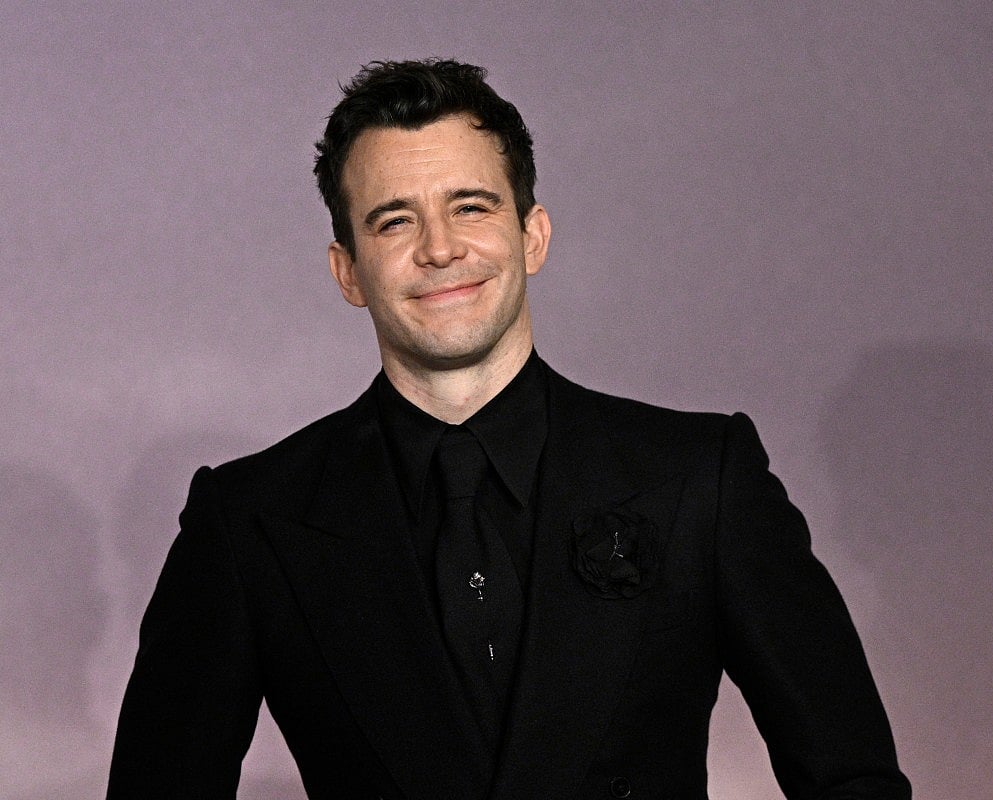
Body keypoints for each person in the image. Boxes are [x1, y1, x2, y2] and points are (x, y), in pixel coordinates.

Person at [107, 58, 908, 799]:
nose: (440, 248)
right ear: (347, 269)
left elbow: (853, 784)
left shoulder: (703, 477)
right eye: (393, 221)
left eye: (471, 206)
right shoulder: (249, 521)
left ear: (532, 236)